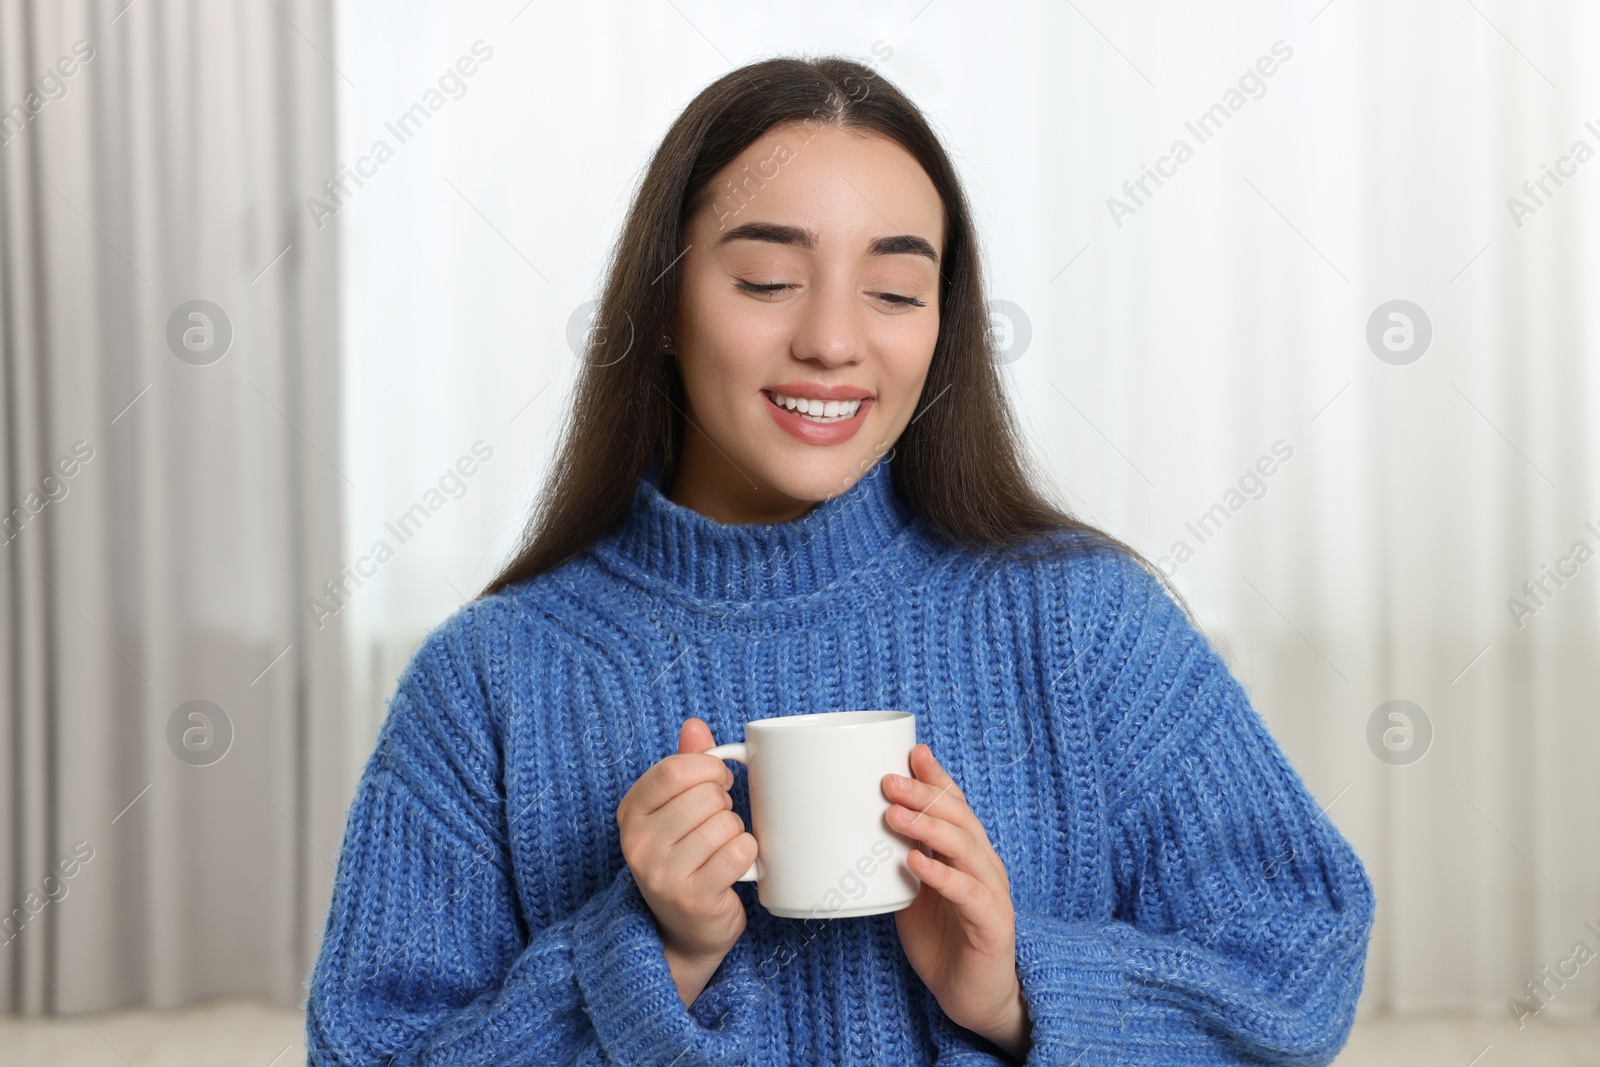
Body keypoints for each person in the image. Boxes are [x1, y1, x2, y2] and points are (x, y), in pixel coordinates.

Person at [304, 55, 1374, 1066]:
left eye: (897, 292)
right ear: (665, 307)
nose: (832, 339)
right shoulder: (491, 677)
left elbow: (1297, 970)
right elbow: (366, 1046)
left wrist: (1014, 990)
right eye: (768, 279)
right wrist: (648, 955)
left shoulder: (1084, 621)